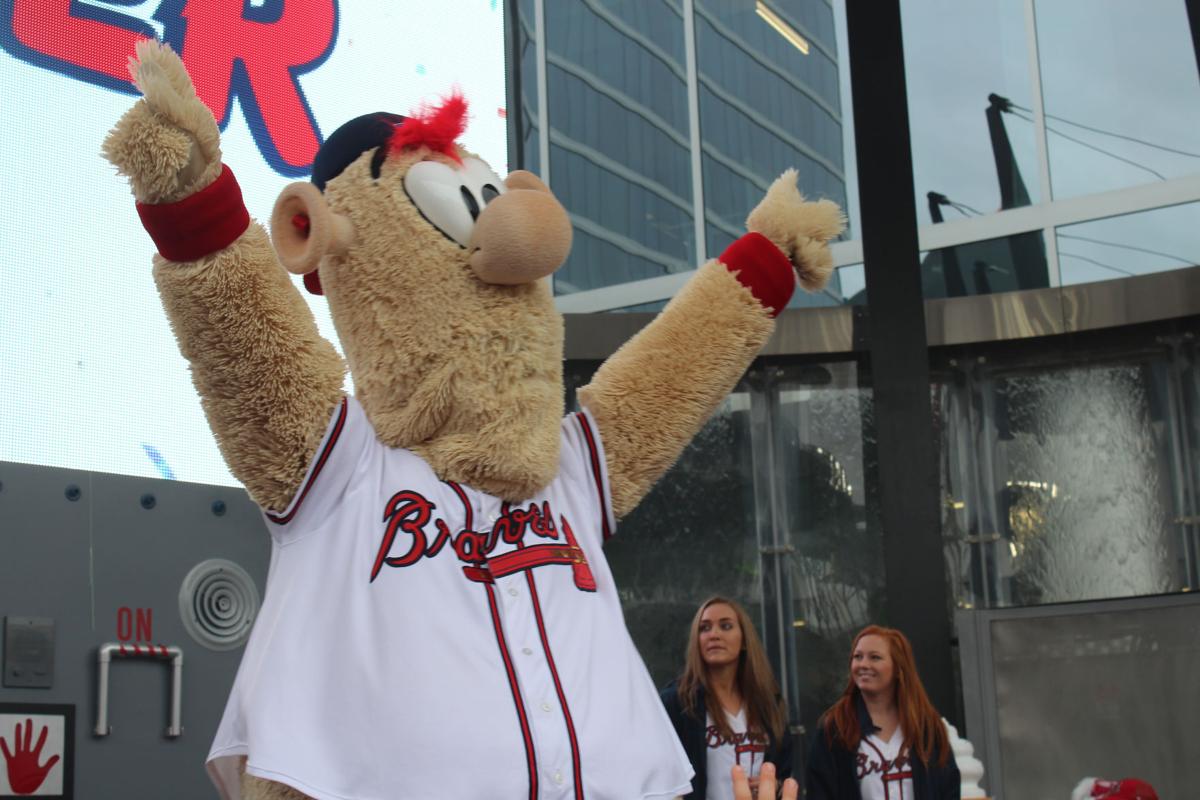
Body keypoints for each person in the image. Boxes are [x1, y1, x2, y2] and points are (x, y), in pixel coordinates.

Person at [806, 625, 960, 799]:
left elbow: (949, 788)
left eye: (875, 657)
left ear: (898, 667)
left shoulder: (926, 728)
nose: (863, 664)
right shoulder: (835, 728)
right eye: (858, 657)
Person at [661, 597, 793, 799]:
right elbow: (661, 775)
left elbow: (785, 771)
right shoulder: (678, 702)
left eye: (726, 626)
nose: (714, 634)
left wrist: (774, 785)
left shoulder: (768, 702)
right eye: (704, 628)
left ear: (744, 641)